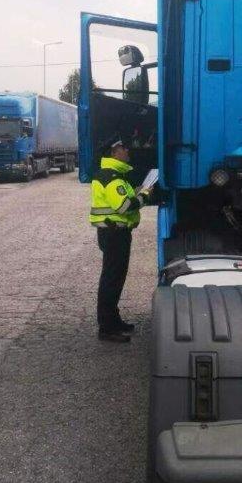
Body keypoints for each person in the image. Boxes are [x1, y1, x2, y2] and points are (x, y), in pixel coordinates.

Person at [90, 139, 150, 342]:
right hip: (114, 234)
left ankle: (113, 321)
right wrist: (145, 196)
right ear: (115, 151)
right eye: (124, 148)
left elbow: (123, 199)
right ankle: (107, 329)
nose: (127, 150)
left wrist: (138, 192)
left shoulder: (114, 176)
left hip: (114, 233)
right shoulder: (112, 177)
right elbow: (124, 206)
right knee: (111, 279)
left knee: (115, 278)